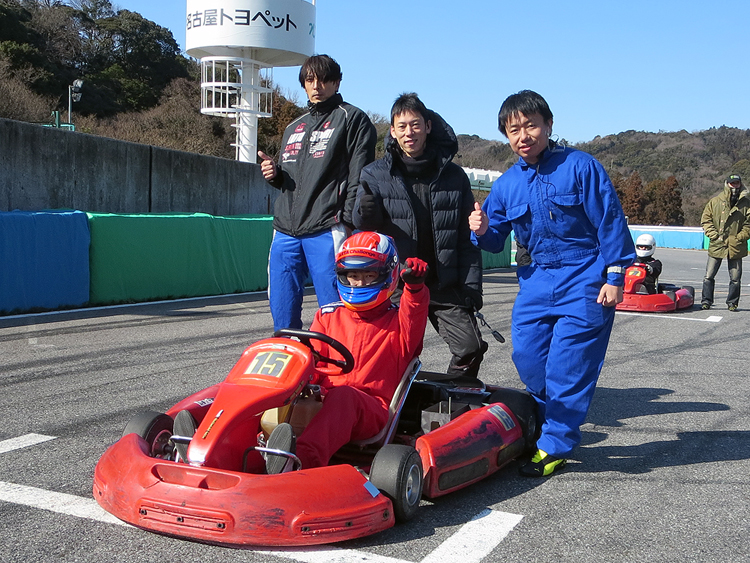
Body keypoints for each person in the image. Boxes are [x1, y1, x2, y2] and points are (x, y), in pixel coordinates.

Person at [468, 90, 636, 477]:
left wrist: (614, 275)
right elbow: (495, 240)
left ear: (549, 125)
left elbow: (609, 221)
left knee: (568, 366)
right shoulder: (508, 184)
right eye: (514, 130)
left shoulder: (581, 167)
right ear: (506, 137)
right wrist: (481, 229)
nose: (523, 135)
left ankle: (554, 443)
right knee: (526, 358)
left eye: (531, 125)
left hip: (585, 276)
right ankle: (549, 424)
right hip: (537, 279)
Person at [265, 232, 430, 473]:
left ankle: (299, 462)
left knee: (344, 397)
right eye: (353, 276)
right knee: (273, 381)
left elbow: (414, 315)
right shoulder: (328, 315)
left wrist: (415, 289)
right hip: (324, 399)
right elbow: (312, 362)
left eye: (368, 275)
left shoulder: (399, 323)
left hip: (371, 409)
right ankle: (215, 444)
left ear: (387, 275)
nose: (359, 283)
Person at [353, 93, 486, 379]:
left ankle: (450, 399)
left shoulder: (455, 176)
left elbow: (467, 239)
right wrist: (364, 213)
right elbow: (364, 234)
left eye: (415, 125)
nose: (408, 132)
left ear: (428, 126)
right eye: (401, 126)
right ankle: (392, 407)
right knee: (392, 352)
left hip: (444, 282)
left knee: (470, 347)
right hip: (397, 286)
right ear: (392, 131)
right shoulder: (374, 174)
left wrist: (472, 288)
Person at [258, 54, 377, 331]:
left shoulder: (353, 119)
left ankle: (340, 366)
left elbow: (361, 175)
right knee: (281, 305)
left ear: (336, 82)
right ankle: (289, 359)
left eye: (324, 79)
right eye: (310, 80)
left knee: (337, 307)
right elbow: (291, 179)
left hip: (327, 227)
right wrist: (274, 175)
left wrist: (347, 221)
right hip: (285, 229)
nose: (317, 85)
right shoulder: (293, 127)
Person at [700, 174, 750, 311]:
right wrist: (714, 235)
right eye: (732, 183)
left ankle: (732, 303)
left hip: (736, 245)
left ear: (740, 184)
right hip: (717, 243)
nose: (734, 186)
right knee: (709, 275)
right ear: (726, 184)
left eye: (737, 183)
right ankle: (706, 301)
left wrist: (738, 238)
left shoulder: (746, 203)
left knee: (735, 278)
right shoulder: (715, 201)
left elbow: (748, 225)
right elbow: (706, 220)